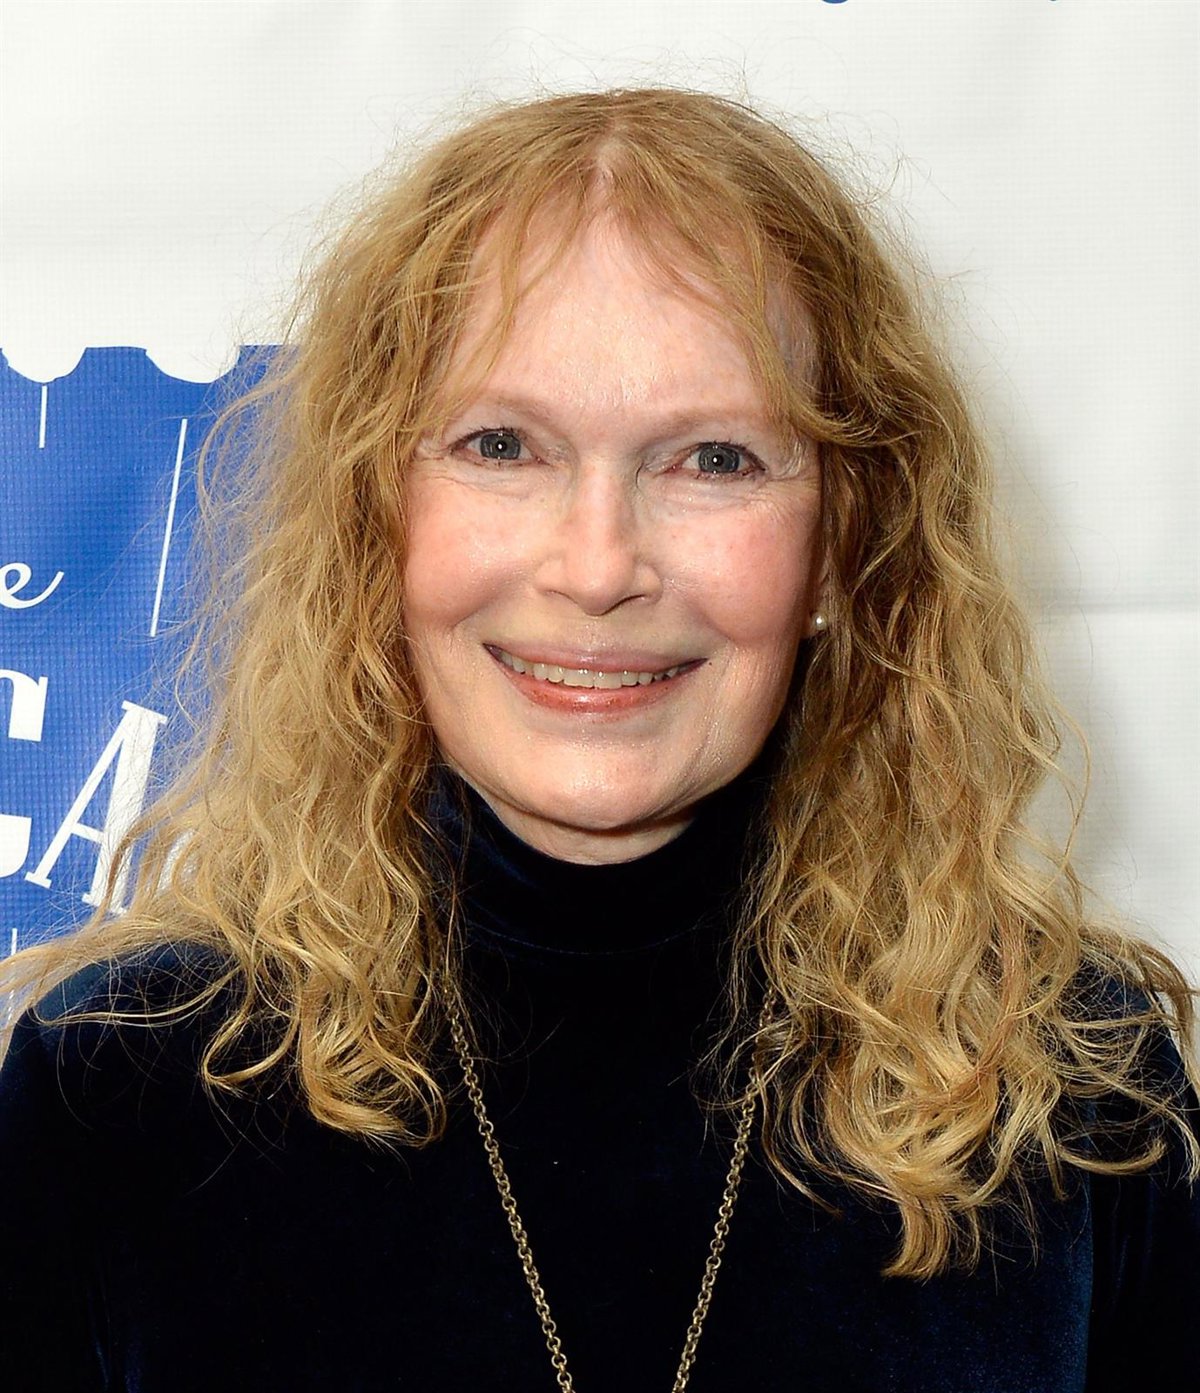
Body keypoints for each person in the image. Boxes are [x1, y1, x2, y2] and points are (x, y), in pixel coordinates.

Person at [1, 88, 1196, 1393]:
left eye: (715, 459)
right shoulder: (114, 1087)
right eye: (502, 445)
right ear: (376, 516)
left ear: (843, 543)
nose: (598, 566)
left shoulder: (1074, 1089)